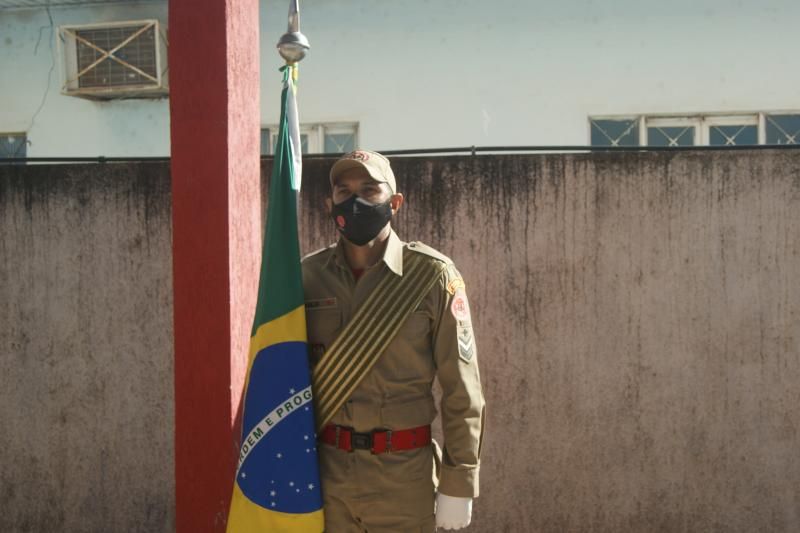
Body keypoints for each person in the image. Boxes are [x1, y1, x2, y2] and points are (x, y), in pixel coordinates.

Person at [301, 150, 486, 532]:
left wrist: (459, 483)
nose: (355, 201)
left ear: (395, 202)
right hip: (326, 477)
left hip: (404, 479)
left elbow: (462, 390)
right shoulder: (306, 277)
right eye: (344, 191)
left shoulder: (432, 277)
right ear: (328, 202)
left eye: (370, 190)